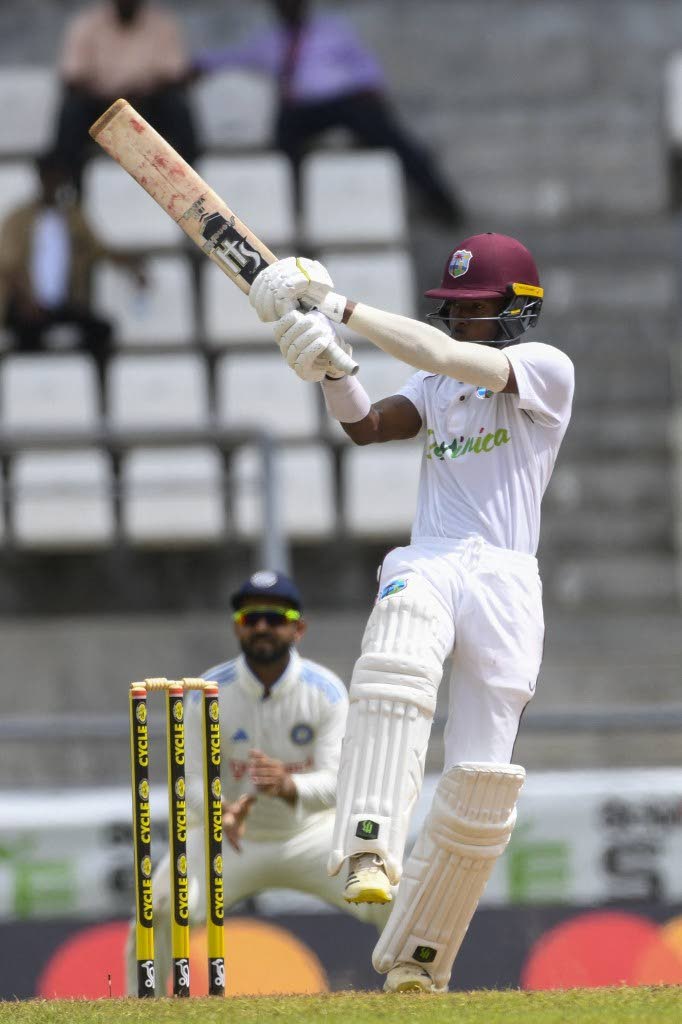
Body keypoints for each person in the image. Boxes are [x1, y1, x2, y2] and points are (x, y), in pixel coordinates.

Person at [247, 232, 575, 992]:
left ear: (517, 311)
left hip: (506, 580)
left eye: (476, 308)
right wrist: (333, 372)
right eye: (453, 309)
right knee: (396, 658)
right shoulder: (437, 389)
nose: (463, 321)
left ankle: (418, 961)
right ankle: (368, 846)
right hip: (433, 555)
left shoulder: (544, 370)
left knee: (481, 782)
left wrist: (339, 307)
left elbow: (448, 358)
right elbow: (368, 425)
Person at [125, 569, 388, 996]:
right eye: (250, 619)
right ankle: (140, 1009)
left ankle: (418, 994)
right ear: (237, 628)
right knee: (158, 902)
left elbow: (341, 786)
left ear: (298, 628)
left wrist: (290, 787)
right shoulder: (204, 692)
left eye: (274, 616)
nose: (262, 626)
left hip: (313, 836)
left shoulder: (326, 693)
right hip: (229, 839)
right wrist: (217, 812)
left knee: (390, 893)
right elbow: (188, 782)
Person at [193, 0, 462, 224]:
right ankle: (295, 210)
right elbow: (233, 57)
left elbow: (364, 64)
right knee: (283, 139)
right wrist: (193, 66)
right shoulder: (270, 42)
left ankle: (438, 198)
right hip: (303, 109)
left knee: (390, 135)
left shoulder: (333, 31)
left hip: (346, 100)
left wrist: (373, 90)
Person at [0, 151, 144, 397]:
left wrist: (132, 266)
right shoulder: (19, 218)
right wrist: (26, 299)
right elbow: (8, 264)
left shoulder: (74, 218)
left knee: (101, 330)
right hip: (26, 305)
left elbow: (100, 249)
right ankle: (30, 394)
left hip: (63, 303)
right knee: (26, 336)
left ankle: (96, 396)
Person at [53, 0, 199, 192]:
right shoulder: (88, 24)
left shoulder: (162, 25)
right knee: (72, 111)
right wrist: (111, 97)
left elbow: (176, 74)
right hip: (100, 106)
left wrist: (139, 92)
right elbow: (72, 77)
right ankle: (70, 196)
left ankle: (188, 191)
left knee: (177, 108)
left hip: (149, 105)